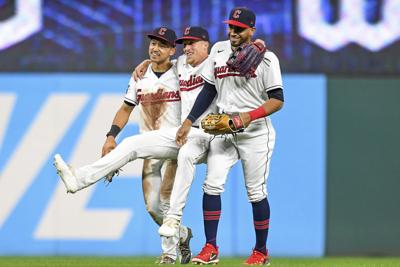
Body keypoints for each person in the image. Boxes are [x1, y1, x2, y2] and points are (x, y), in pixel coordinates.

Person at [53, 26, 215, 264]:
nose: (154, 48)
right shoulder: (141, 75)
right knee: (153, 208)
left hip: (176, 143)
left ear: (173, 50)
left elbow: (203, 63)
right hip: (150, 145)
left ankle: (169, 255)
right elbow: (126, 107)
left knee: (166, 201)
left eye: (161, 45)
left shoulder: (181, 69)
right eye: (152, 43)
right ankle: (182, 234)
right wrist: (110, 136)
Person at [167, 7, 284, 265]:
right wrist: (188, 121)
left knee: (256, 192)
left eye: (239, 28)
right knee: (211, 185)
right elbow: (209, 88)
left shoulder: (268, 59)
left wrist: (246, 117)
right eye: (230, 26)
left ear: (252, 30)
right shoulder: (219, 50)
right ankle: (210, 248)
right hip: (224, 127)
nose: (232, 32)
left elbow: (277, 100)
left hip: (255, 132)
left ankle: (261, 251)